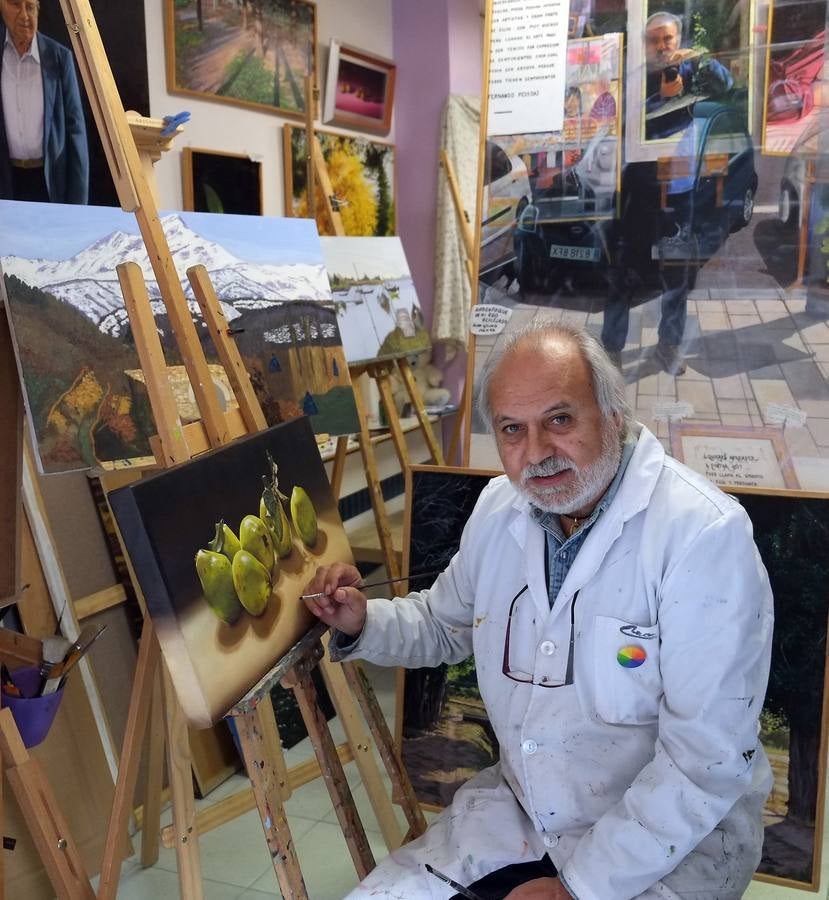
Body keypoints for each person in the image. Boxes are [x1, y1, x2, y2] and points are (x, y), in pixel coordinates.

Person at [305, 321, 774, 900]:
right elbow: (446, 624)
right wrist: (362, 620)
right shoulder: (501, 509)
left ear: (611, 413)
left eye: (560, 419)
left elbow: (706, 761)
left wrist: (574, 888)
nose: (537, 453)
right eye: (512, 429)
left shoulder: (702, 535)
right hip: (525, 808)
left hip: (672, 843)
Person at [0, 0, 88, 204]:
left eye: (30, 7)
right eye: (15, 4)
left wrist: (79, 206)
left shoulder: (59, 58)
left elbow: (76, 132)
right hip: (6, 182)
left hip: (51, 183)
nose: (24, 15)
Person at [644, 11, 732, 140]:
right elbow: (631, 118)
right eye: (654, 40)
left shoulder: (691, 65)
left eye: (668, 38)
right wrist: (662, 97)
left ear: (678, 41)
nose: (661, 46)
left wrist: (697, 58)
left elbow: (726, 83)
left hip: (695, 141)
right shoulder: (640, 77)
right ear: (646, 44)